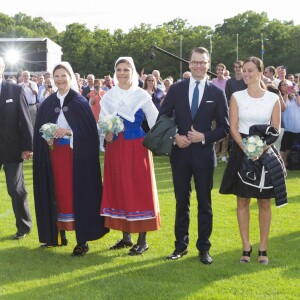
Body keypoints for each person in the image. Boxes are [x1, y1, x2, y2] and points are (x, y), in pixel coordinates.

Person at [158, 47, 229, 264]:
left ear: (209, 64)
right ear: (189, 64)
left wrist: (204, 136)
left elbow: (224, 128)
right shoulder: (177, 89)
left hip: (204, 156)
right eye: (195, 62)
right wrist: (174, 136)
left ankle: (204, 248)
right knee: (181, 201)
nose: (199, 66)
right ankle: (180, 246)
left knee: (204, 203)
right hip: (179, 155)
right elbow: (163, 117)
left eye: (203, 62)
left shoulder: (216, 93)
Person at [33, 62, 108, 256]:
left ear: (70, 77)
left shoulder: (79, 102)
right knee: (56, 192)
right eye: (56, 76)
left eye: (63, 76)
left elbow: (89, 132)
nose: (59, 79)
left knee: (76, 194)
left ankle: (82, 241)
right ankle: (58, 234)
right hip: (53, 156)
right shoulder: (48, 103)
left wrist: (68, 132)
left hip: (75, 157)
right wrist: (46, 137)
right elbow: (39, 130)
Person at [219, 57, 287, 265]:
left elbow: (275, 129)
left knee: (264, 202)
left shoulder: (272, 98)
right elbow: (233, 126)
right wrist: (246, 148)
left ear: (260, 72)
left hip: (265, 152)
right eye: (243, 70)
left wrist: (259, 149)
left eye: (250, 70)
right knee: (242, 200)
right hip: (242, 152)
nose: (245, 74)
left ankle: (263, 248)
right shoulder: (236, 96)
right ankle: (246, 247)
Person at [100, 57, 160, 256]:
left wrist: (160, 141)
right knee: (120, 188)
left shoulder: (141, 94)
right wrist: (106, 134)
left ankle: (142, 240)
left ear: (132, 72)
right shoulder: (109, 96)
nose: (122, 73)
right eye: (119, 69)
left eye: (126, 69)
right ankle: (126, 237)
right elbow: (102, 122)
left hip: (136, 148)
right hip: (115, 148)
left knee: (138, 189)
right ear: (115, 72)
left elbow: (155, 120)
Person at [0, 56, 33, 240]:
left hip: (12, 148)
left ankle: (24, 226)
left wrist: (28, 146)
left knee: (15, 189)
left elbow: (25, 119)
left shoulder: (15, 89)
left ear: (2, 68)